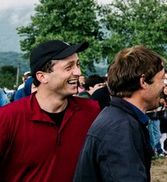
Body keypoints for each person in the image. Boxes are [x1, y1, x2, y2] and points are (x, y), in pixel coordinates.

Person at [74, 45, 167, 182]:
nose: (164, 85)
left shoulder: (118, 118)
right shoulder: (120, 129)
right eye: (161, 79)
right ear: (143, 81)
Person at [0, 40, 100, 182]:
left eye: (77, 64)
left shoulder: (92, 112)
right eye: (68, 67)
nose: (78, 72)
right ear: (42, 76)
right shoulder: (8, 118)